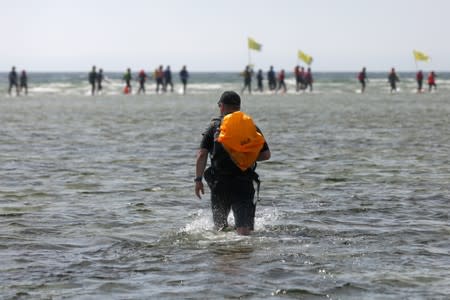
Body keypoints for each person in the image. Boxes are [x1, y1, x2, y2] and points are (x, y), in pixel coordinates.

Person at [195, 91, 271, 235]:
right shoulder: (251, 127)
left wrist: (198, 180)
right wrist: (243, 157)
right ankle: (243, 254)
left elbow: (202, 154)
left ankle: (223, 254)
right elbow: (266, 155)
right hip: (244, 182)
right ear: (238, 107)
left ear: (222, 106)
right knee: (244, 231)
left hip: (220, 183)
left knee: (219, 229)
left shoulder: (214, 127)